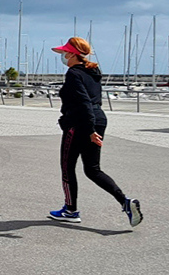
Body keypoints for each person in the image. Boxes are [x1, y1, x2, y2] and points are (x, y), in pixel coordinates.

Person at [48, 37, 142, 227]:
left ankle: (70, 210)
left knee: (67, 167)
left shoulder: (74, 73)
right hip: (98, 120)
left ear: (73, 54)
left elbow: (84, 102)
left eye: (65, 53)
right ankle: (125, 201)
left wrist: (89, 129)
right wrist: (92, 127)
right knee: (92, 169)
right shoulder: (93, 72)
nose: (63, 56)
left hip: (80, 124)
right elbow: (92, 101)